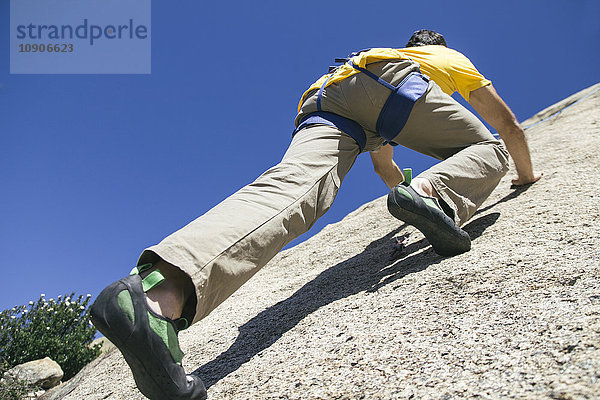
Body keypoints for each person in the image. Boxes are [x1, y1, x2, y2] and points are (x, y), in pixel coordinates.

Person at [90, 29, 541, 400]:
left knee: (293, 191)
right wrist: (523, 177)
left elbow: (384, 167)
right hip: (393, 87)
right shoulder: (439, 57)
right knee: (489, 148)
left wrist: (408, 192)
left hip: (326, 101)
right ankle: (438, 195)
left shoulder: (366, 57)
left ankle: (153, 298)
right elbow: (507, 126)